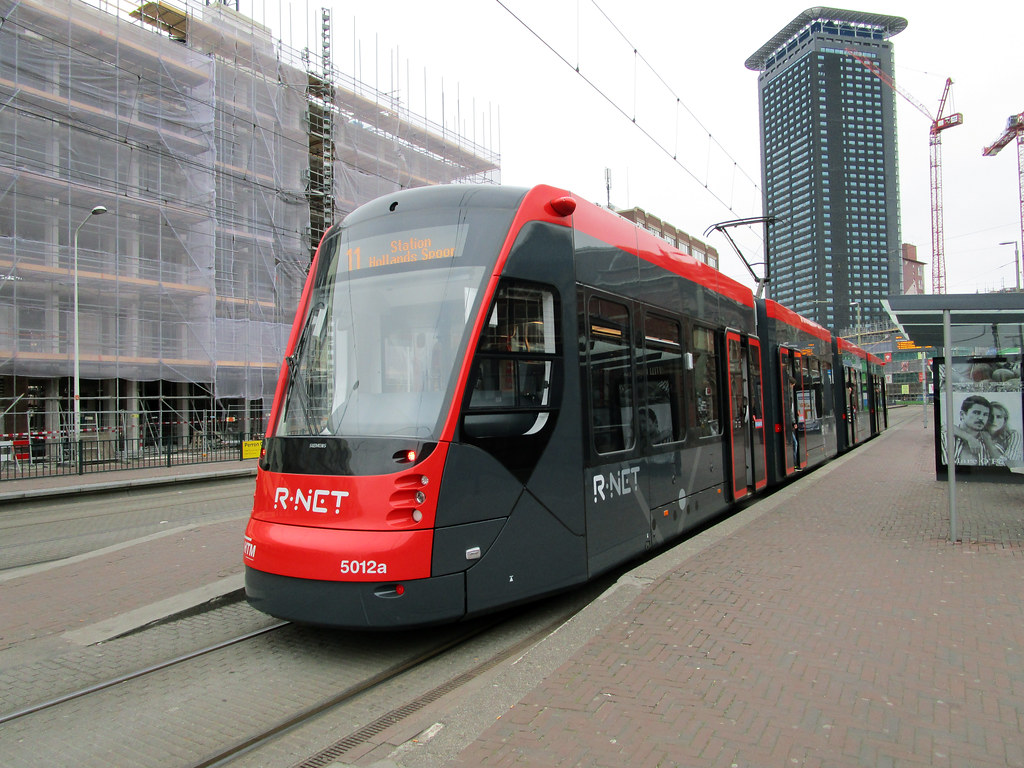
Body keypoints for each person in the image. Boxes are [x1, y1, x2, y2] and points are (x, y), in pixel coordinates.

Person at [945, 395, 992, 466]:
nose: (981, 418)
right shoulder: (945, 439)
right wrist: (969, 438)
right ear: (962, 415)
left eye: (985, 415)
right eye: (976, 413)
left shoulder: (989, 443)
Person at [980, 400, 1022, 467]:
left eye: (999, 417)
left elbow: (1009, 466)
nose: (994, 420)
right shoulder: (977, 434)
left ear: (1004, 420)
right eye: (990, 416)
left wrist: (988, 442)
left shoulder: (1013, 435)